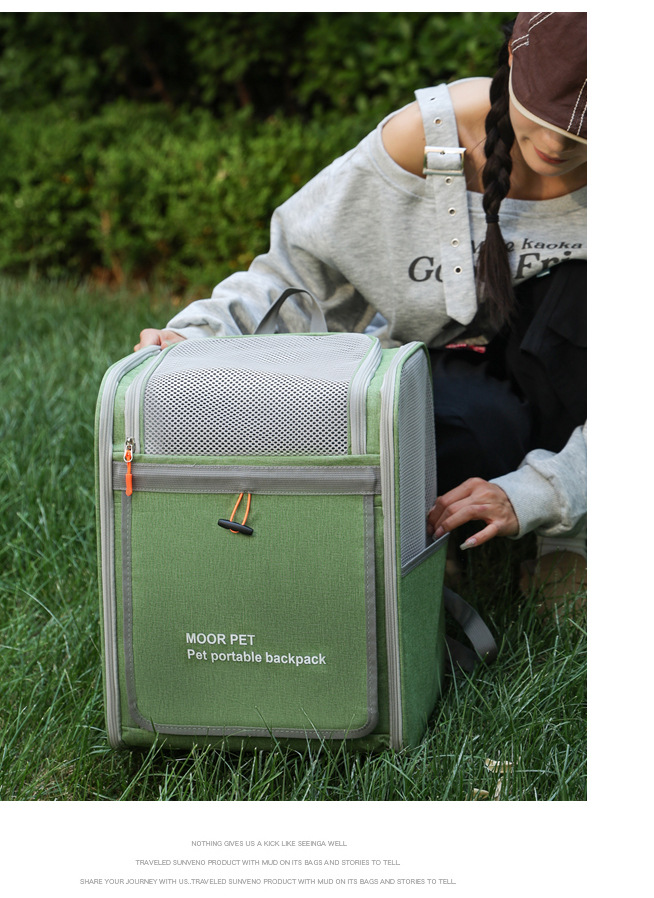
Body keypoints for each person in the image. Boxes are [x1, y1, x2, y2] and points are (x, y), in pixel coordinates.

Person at [134, 12, 587, 609]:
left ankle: (575, 532)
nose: (556, 145)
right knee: (476, 424)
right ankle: (425, 527)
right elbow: (295, 273)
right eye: (543, 115)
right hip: (440, 378)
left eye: (586, 132)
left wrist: (539, 495)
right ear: (511, 59)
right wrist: (197, 335)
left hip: (570, 388)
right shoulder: (423, 139)